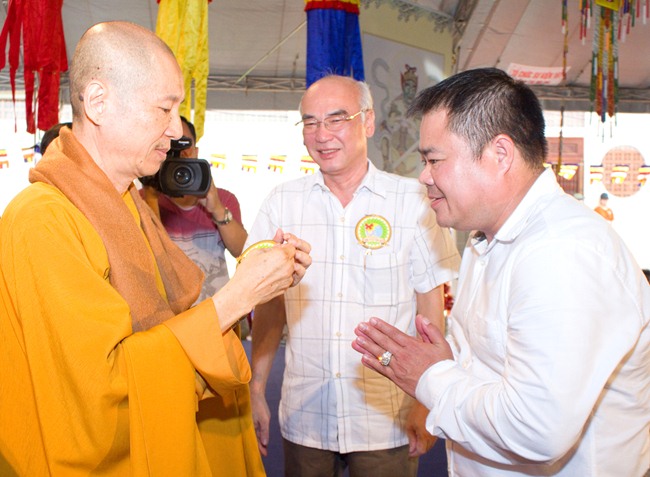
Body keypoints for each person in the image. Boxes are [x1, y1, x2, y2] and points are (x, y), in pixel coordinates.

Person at [0, 21, 311, 476]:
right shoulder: (42, 221)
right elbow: (97, 396)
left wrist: (255, 272)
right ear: (99, 102)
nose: (176, 131)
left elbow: (167, 327)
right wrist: (238, 297)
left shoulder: (129, 203)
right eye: (165, 109)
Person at [352, 67, 650, 476]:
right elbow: (492, 365)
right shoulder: (490, 238)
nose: (424, 176)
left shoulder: (561, 252)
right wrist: (449, 361)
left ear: (500, 155)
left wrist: (430, 377)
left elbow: (537, 430)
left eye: (434, 160)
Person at [247, 74, 461, 477]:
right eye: (310, 122)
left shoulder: (413, 201)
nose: (322, 134)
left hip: (386, 419)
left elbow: (429, 308)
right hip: (306, 415)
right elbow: (269, 306)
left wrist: (426, 397)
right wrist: (257, 388)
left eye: (336, 119)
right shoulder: (282, 203)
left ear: (368, 121)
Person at [142, 116, 261, 475]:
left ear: (196, 149)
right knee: (173, 428)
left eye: (186, 145)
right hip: (168, 332)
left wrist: (215, 206)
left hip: (220, 328)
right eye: (171, 146)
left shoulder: (222, 198)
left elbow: (244, 251)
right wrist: (151, 195)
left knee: (220, 430)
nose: (180, 154)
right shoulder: (144, 200)